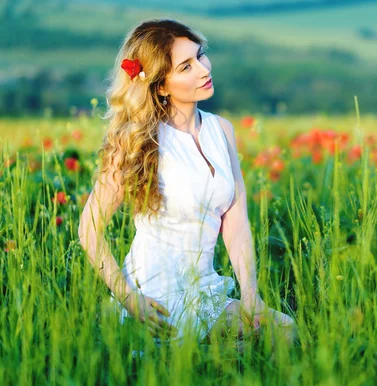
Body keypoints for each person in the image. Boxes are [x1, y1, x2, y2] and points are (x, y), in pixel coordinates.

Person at [78, 19, 297, 350]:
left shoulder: (221, 129)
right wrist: (128, 298)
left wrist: (252, 297)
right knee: (236, 354)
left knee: (282, 331)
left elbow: (235, 225)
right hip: (154, 295)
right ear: (162, 86)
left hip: (206, 288)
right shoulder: (137, 141)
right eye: (186, 66)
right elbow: (89, 229)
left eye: (201, 55)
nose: (203, 69)